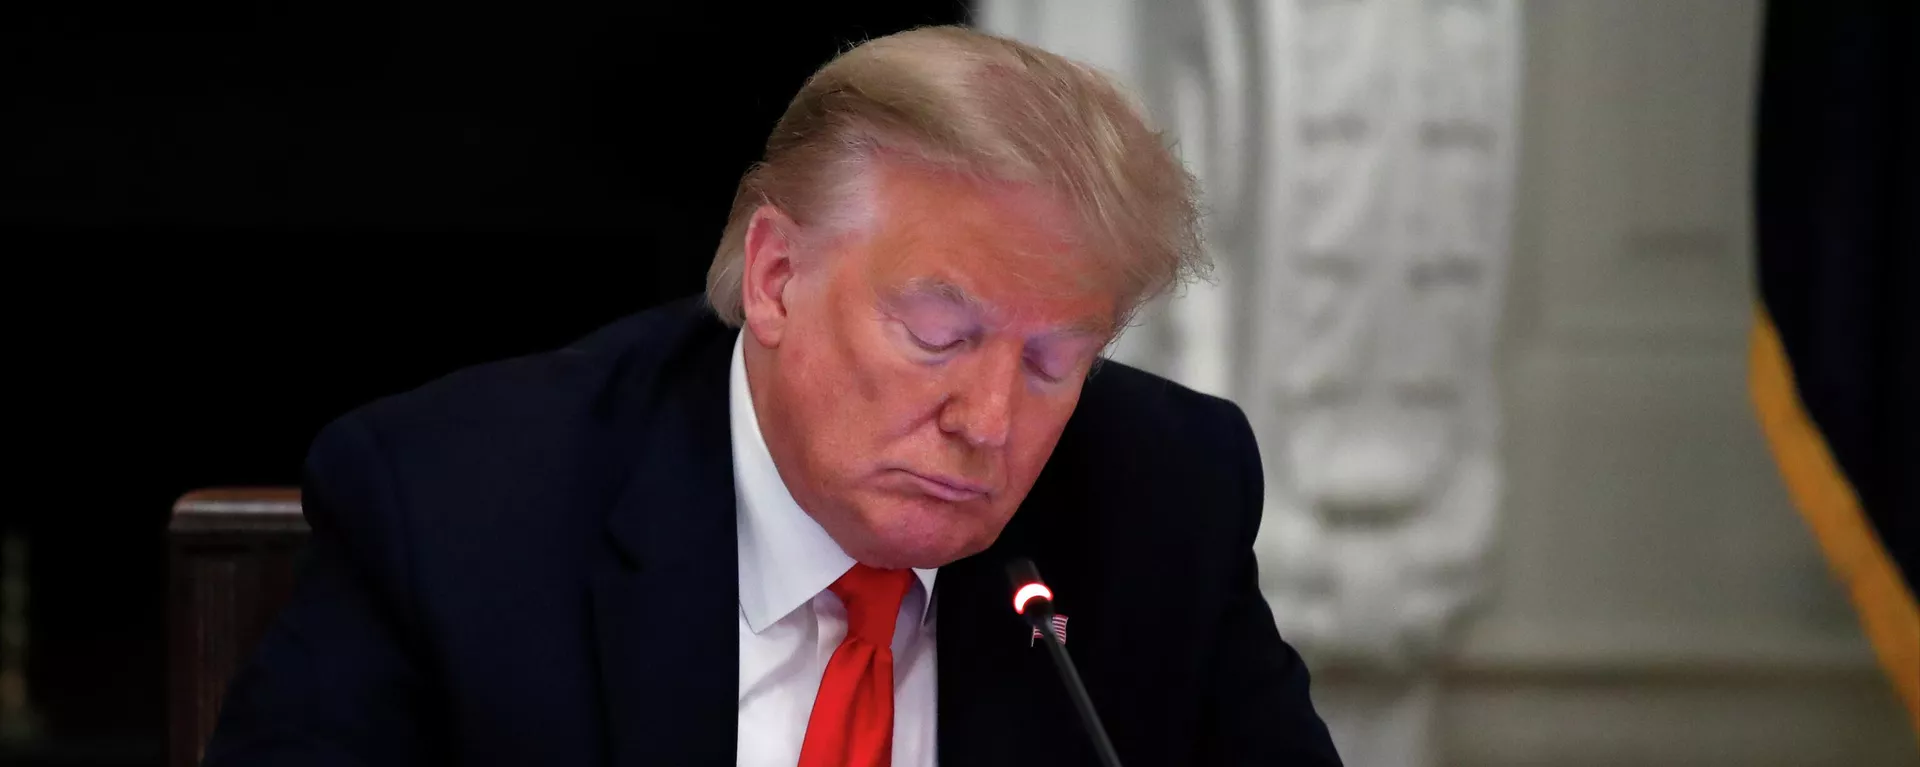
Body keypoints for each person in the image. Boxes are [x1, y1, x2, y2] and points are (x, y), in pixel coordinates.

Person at [204, 25, 1340, 767]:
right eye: (939, 334)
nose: (990, 419)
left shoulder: (1162, 493)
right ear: (777, 277)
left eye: (1056, 361)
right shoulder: (458, 504)